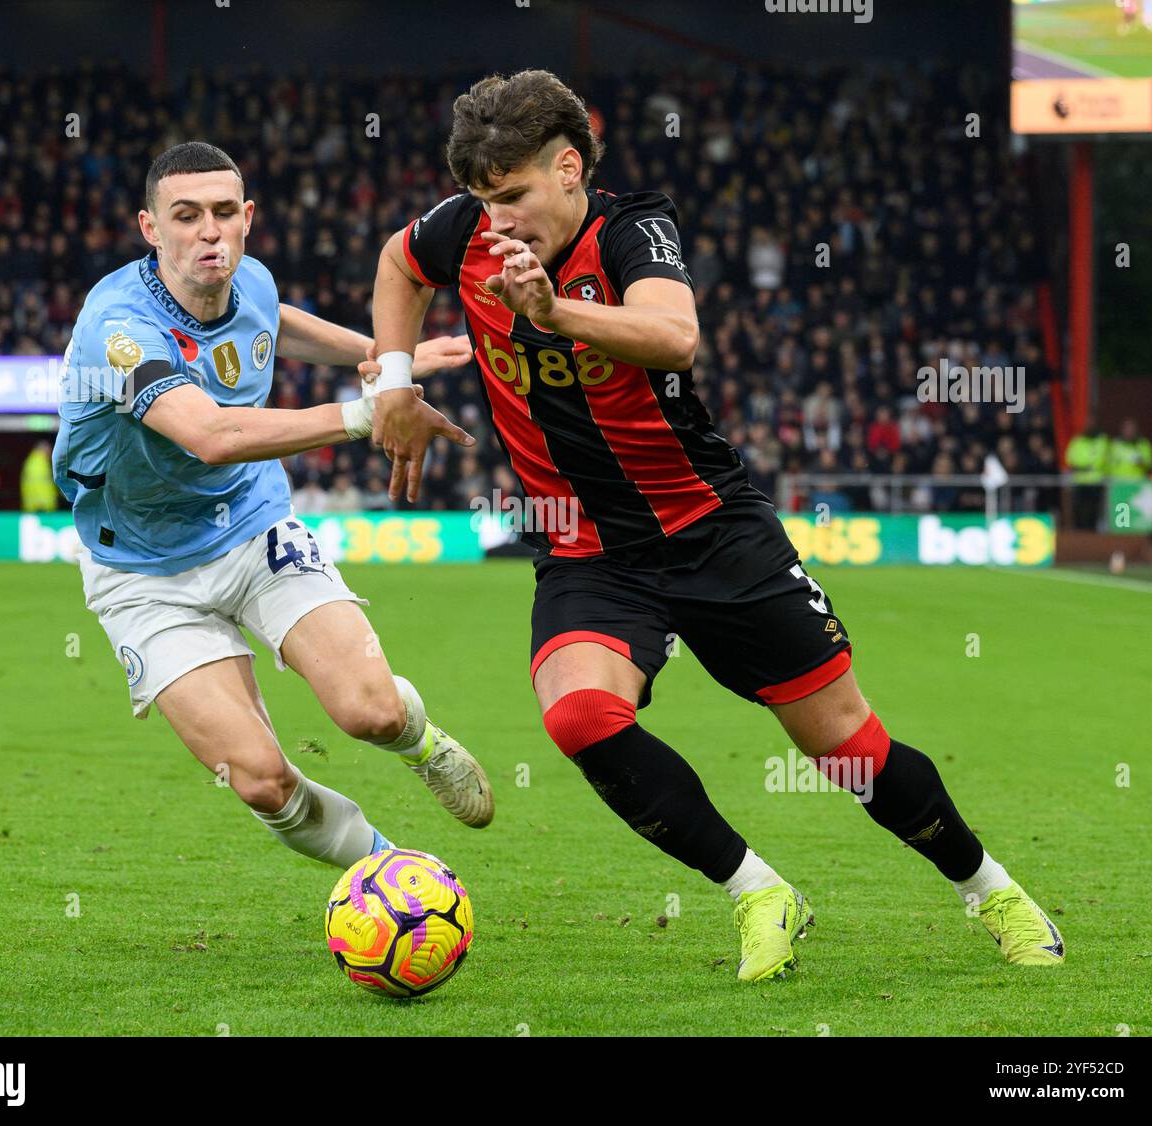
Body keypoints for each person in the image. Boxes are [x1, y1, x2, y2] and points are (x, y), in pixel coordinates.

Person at [366, 70, 1062, 982]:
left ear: (569, 168)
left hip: (710, 530)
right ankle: (757, 889)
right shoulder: (463, 230)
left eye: (513, 197)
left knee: (848, 749)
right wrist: (393, 384)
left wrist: (552, 311)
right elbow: (395, 264)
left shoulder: (634, 228)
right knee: (579, 716)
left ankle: (988, 888)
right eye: (482, 200)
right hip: (586, 549)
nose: (494, 221)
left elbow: (674, 336)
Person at [54, 142, 493, 884]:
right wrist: (369, 412)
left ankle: (424, 746)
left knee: (372, 713)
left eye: (225, 213)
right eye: (186, 217)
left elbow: (274, 320)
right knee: (261, 779)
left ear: (249, 217)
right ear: (149, 228)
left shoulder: (247, 279)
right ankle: (394, 876)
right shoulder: (118, 327)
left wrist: (388, 359)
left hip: (251, 528)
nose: (209, 232)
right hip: (141, 574)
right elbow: (211, 434)